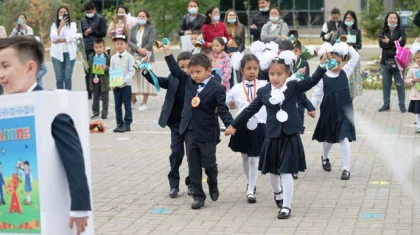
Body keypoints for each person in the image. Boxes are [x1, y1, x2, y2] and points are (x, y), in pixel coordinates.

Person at [0, 36, 91, 235]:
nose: (1, 74)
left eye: (5, 66)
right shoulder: (6, 109)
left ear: (30, 68)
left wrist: (80, 207)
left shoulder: (52, 109)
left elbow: (73, 158)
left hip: (47, 211)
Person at [225, 53, 328, 219]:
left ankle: (286, 206)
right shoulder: (265, 91)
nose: (275, 77)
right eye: (272, 74)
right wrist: (233, 125)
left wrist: (322, 66)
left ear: (287, 74)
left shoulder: (293, 86)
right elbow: (250, 110)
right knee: (273, 174)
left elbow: (311, 81)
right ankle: (278, 192)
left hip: (290, 135)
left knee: (286, 171)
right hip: (272, 135)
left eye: (279, 74)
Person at [163, 42, 233, 209]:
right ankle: (198, 196)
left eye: (198, 72)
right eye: (192, 72)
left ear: (208, 71)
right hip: (189, 130)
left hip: (208, 132)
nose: (194, 75)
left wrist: (231, 125)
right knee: (193, 164)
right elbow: (175, 70)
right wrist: (167, 53)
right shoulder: (188, 82)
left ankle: (213, 182)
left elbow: (222, 109)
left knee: (208, 164)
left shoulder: (217, 88)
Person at [141, 52, 194, 198]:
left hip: (191, 124)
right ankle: (174, 185)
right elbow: (158, 81)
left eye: (187, 67)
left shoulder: (194, 80)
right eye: (180, 66)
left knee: (192, 155)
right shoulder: (173, 77)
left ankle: (192, 184)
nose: (184, 70)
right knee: (176, 154)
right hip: (176, 123)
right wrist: (145, 69)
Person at [310, 41, 360, 181]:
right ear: (329, 61)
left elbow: (355, 57)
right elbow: (317, 94)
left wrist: (346, 46)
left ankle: (346, 169)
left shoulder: (346, 71)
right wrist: (311, 107)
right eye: (333, 62)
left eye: (339, 62)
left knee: (344, 137)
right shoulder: (323, 76)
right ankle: (324, 157)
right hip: (329, 111)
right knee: (329, 139)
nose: (337, 65)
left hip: (344, 110)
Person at [226, 54, 267, 203]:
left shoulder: (264, 85)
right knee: (245, 157)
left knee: (254, 157)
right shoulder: (236, 88)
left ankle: (251, 188)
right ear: (241, 70)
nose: (252, 71)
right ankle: (250, 181)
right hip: (242, 126)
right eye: (248, 68)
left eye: (255, 68)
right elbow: (226, 101)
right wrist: (230, 105)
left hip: (260, 124)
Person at [378, 11, 407, 113]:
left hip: (398, 62)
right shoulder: (383, 31)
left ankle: (402, 105)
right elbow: (382, 45)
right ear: (387, 19)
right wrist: (395, 42)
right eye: (391, 18)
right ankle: (386, 104)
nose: (393, 20)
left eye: (395, 18)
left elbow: (402, 43)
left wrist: (389, 42)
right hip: (385, 62)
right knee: (386, 84)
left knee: (400, 84)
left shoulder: (401, 31)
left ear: (397, 20)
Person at [128, 9, 157, 111]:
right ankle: (132, 100)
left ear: (147, 18)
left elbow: (150, 42)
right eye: (139, 16)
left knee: (146, 79)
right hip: (134, 55)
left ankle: (144, 102)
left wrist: (142, 50)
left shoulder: (151, 28)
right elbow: (130, 41)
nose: (141, 18)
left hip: (146, 56)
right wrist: (137, 49)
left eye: (143, 16)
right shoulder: (133, 28)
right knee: (133, 79)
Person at [332, 10, 363, 100]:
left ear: (354, 19)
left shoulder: (357, 31)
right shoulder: (340, 30)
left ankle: (350, 101)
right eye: (347, 18)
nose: (348, 19)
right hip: (342, 59)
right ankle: (342, 100)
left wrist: (352, 45)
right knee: (343, 79)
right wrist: (340, 43)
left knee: (352, 82)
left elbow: (360, 45)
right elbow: (333, 42)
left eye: (350, 18)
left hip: (353, 58)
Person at [81, 2, 107, 99]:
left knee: (98, 71)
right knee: (88, 71)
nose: (89, 13)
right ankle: (89, 92)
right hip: (86, 49)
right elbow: (80, 34)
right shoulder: (83, 20)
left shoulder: (100, 19)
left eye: (91, 11)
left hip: (97, 49)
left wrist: (92, 31)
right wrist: (85, 33)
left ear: (94, 10)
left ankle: (99, 93)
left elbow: (103, 33)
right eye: (87, 12)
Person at [111, 34, 135, 133]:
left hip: (126, 85)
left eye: (121, 43)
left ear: (126, 45)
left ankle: (127, 123)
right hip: (116, 85)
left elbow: (131, 71)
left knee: (127, 104)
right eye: (117, 44)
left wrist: (124, 81)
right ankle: (119, 123)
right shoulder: (113, 57)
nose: (119, 46)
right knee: (117, 105)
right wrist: (113, 82)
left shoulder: (130, 57)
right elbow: (111, 70)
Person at [50, 6, 78, 90]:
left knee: (67, 78)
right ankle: (60, 98)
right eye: (60, 12)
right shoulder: (54, 26)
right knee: (59, 78)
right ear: (58, 14)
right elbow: (53, 38)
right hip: (57, 54)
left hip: (69, 54)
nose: (62, 14)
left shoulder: (73, 25)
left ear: (68, 14)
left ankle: (68, 99)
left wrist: (61, 40)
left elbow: (73, 37)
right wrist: (60, 26)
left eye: (64, 12)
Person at [86, 39, 110, 120]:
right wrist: (86, 67)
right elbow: (88, 69)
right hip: (95, 80)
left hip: (104, 80)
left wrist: (106, 68)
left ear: (104, 48)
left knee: (105, 98)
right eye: (96, 47)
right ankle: (95, 113)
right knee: (95, 97)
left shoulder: (107, 57)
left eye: (100, 47)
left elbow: (112, 69)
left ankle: (104, 113)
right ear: (93, 48)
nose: (98, 49)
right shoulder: (91, 57)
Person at [224, 9, 246, 85]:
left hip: (237, 51)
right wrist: (228, 52)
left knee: (239, 72)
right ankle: (230, 89)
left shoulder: (241, 27)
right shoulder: (223, 27)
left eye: (233, 15)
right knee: (229, 72)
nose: (232, 17)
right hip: (227, 51)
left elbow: (242, 42)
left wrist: (237, 53)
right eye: (230, 15)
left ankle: (240, 87)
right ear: (226, 17)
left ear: (236, 17)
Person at [405, 44, 420, 133]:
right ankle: (419, 127)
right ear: (415, 59)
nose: (419, 59)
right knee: (418, 112)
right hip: (417, 95)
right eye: (417, 58)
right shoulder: (412, 69)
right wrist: (413, 80)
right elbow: (407, 81)